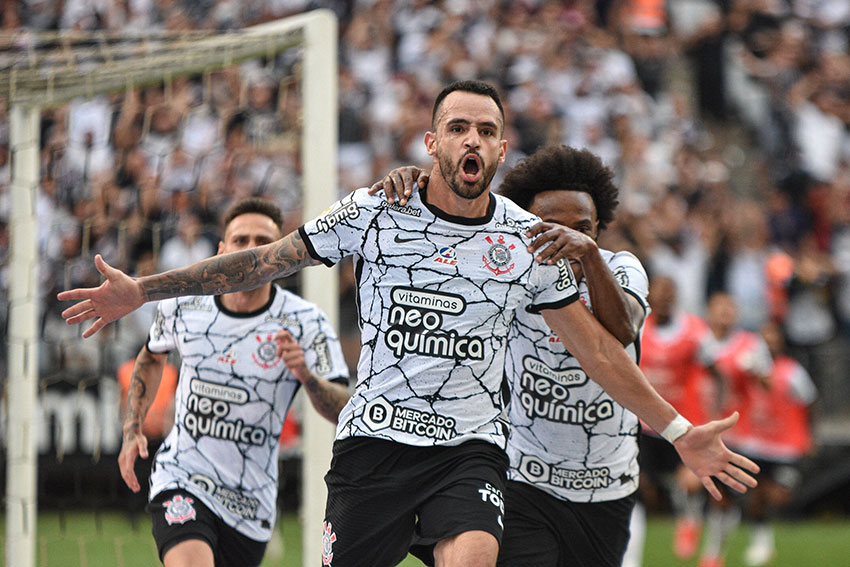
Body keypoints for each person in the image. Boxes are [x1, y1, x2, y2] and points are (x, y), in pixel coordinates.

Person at [59, 80, 758, 567]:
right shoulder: (374, 211)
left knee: (479, 553)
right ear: (432, 141)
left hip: (470, 449)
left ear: (501, 148)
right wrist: (142, 291)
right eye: (458, 128)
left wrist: (677, 430)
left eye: (486, 129)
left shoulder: (524, 243)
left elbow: (601, 353)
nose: (471, 139)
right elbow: (266, 260)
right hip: (373, 446)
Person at [373, 144, 651, 567]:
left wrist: (590, 256)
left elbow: (624, 329)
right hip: (523, 481)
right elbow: (447, 244)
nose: (568, 238)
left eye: (583, 228)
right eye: (551, 226)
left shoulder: (620, 267)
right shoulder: (508, 274)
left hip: (605, 488)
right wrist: (423, 186)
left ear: (598, 230)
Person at [116, 197, 351, 567]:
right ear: (222, 250)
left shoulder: (306, 322)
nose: (250, 251)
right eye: (240, 241)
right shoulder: (185, 304)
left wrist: (306, 375)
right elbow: (151, 354)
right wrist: (132, 429)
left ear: (280, 255)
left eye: (262, 242)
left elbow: (346, 410)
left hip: (250, 500)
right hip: (183, 476)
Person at [628, 274, 717, 564]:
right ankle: (632, 546)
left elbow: (717, 369)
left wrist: (715, 413)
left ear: (676, 296)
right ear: (651, 296)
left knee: (688, 483)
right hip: (646, 423)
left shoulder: (694, 330)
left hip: (683, 422)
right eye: (660, 293)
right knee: (638, 482)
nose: (664, 298)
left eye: (670, 293)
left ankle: (688, 520)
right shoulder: (639, 327)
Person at [697, 292, 773, 567]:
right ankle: (713, 549)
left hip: (742, 429)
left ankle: (748, 544)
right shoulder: (699, 339)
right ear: (709, 310)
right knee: (714, 491)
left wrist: (755, 371)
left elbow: (769, 385)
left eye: (731, 307)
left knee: (741, 492)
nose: (726, 313)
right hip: (701, 426)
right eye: (720, 307)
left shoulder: (750, 343)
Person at [734, 320, 816, 567]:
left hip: (786, 447)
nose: (769, 342)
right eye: (765, 337)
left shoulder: (793, 371)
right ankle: (762, 543)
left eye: (774, 337)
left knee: (777, 495)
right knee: (755, 497)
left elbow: (810, 402)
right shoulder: (747, 366)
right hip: (757, 443)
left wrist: (811, 435)